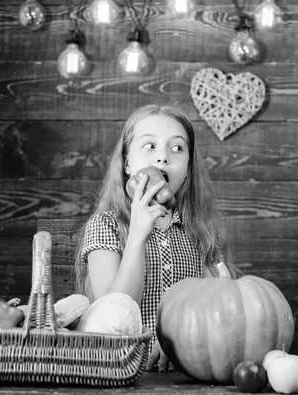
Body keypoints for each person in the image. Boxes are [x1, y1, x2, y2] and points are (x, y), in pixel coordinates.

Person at [73, 104, 238, 371]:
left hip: (186, 376)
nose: (163, 157)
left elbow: (219, 315)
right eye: (149, 146)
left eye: (177, 148)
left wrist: (181, 343)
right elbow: (111, 317)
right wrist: (138, 233)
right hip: (118, 372)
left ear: (188, 167)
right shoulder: (106, 225)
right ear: (127, 163)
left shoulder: (202, 233)